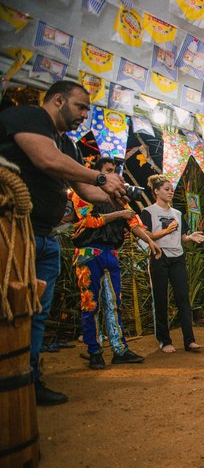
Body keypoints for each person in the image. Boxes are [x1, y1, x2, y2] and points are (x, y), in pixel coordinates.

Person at [0, 81, 128, 405]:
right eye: (80, 106)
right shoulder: (29, 117)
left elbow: (86, 191)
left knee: (37, 312)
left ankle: (29, 381)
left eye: (87, 109)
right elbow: (47, 160)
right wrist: (102, 177)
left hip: (46, 238)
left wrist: (113, 194)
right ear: (58, 100)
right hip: (12, 233)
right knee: (8, 308)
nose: (85, 115)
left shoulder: (68, 146)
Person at [71, 157, 162, 370]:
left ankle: (119, 350)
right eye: (109, 170)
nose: (113, 174)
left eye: (115, 171)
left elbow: (132, 220)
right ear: (97, 172)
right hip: (89, 253)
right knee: (90, 304)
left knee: (114, 304)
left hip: (111, 253)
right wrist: (119, 213)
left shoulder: (117, 197)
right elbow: (88, 221)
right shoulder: (82, 191)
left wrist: (149, 240)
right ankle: (94, 351)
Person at [141, 174, 204, 354]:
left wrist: (190, 237)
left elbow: (182, 237)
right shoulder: (148, 211)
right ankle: (164, 340)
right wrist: (165, 231)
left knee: (183, 299)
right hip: (159, 257)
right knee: (160, 299)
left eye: (172, 189)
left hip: (178, 257)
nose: (171, 192)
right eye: (166, 189)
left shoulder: (177, 213)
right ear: (156, 191)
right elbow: (146, 236)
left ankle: (189, 340)